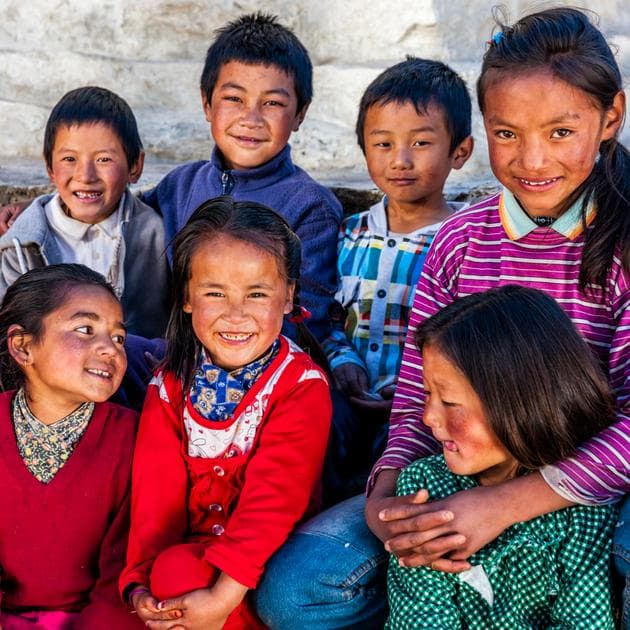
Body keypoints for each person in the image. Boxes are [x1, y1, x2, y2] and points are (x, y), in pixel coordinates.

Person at [255, 7, 630, 629]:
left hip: (594, 491)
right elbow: (414, 403)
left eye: (561, 132)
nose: (532, 159)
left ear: (609, 118)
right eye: (507, 134)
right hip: (466, 471)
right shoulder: (457, 246)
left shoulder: (621, 248)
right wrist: (386, 498)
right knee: (296, 594)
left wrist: (508, 505)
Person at [119, 197, 332, 629]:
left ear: (289, 296)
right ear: (186, 298)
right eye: (215, 293)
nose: (236, 314)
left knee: (182, 575)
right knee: (169, 575)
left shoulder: (300, 387)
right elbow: (154, 500)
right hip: (193, 564)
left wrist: (221, 598)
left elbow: (272, 505)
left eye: (257, 293)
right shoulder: (169, 387)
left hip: (274, 560)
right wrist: (139, 583)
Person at [387, 286, 617, 628]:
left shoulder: (583, 511)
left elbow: (583, 622)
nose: (429, 418)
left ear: (522, 403)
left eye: (450, 402)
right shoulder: (425, 488)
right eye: (427, 394)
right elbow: (423, 618)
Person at [321, 57, 473, 504]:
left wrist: (419, 392)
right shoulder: (348, 233)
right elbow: (327, 312)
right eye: (382, 144)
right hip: (346, 396)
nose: (400, 161)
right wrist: (339, 358)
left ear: (459, 152)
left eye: (421, 143)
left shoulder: (462, 241)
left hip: (421, 414)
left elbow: (466, 340)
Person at [141, 12, 341, 342]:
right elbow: (118, 217)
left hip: (261, 364)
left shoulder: (310, 206)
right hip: (171, 355)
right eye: (234, 98)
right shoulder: (179, 186)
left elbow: (307, 315)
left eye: (273, 103)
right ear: (206, 103)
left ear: (300, 114)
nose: (251, 118)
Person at [0, 264, 142, 629]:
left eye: (119, 338)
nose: (110, 349)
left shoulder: (133, 439)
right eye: (85, 329)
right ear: (23, 346)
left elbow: (124, 573)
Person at [0, 87, 170, 339]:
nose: (85, 176)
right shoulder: (20, 247)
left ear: (135, 166)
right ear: (50, 168)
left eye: (103, 159)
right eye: (69, 159)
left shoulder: (156, 235)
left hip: (140, 371)